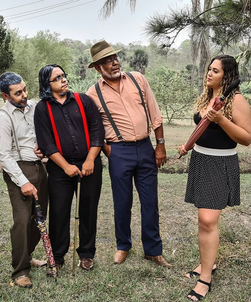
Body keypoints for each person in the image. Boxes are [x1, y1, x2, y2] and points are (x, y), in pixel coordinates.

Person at [86, 40, 172, 268]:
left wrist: (160, 144)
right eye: (107, 61)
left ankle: (153, 250)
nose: (114, 63)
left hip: (145, 147)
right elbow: (92, 128)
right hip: (119, 152)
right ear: (97, 67)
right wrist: (107, 148)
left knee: (150, 202)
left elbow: (155, 112)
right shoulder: (92, 94)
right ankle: (123, 246)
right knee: (122, 203)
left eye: (114, 58)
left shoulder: (137, 79)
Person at [178, 55, 251, 301]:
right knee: (203, 220)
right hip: (200, 159)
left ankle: (205, 278)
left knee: (208, 220)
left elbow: (246, 138)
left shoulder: (237, 100)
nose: (209, 73)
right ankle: (207, 264)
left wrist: (221, 119)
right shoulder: (208, 97)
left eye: (215, 70)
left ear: (227, 75)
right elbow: (201, 127)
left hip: (220, 162)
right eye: (209, 69)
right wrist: (187, 145)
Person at [35, 64, 104, 274]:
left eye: (63, 76)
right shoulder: (42, 108)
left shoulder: (83, 100)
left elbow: (97, 130)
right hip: (59, 169)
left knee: (88, 210)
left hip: (89, 165)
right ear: (47, 84)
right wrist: (65, 166)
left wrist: (90, 160)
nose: (63, 80)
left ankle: (86, 255)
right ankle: (57, 256)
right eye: (57, 78)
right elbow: (46, 142)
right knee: (59, 211)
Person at [0, 72, 49, 288]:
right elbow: (4, 155)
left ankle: (28, 257)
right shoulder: (2, 118)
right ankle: (20, 271)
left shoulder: (34, 107)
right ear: (6, 96)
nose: (24, 95)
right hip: (19, 170)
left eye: (24, 89)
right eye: (18, 93)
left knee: (39, 217)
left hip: (40, 168)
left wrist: (43, 148)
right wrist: (23, 182)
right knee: (22, 220)